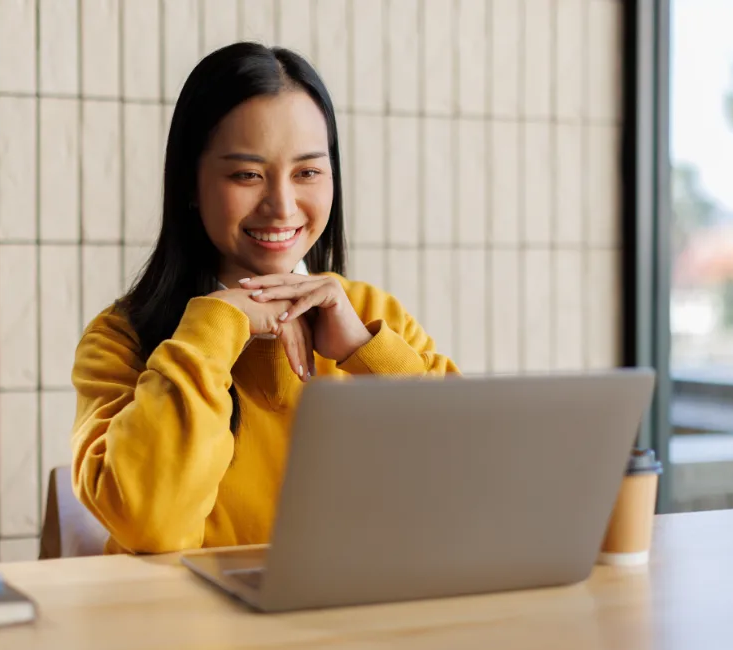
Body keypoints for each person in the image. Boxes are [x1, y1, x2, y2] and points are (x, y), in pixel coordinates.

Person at [70, 42, 459, 555]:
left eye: (308, 173)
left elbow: (470, 485)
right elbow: (150, 524)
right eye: (247, 174)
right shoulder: (121, 338)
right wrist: (213, 328)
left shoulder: (372, 316)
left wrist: (366, 350)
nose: (282, 206)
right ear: (191, 182)